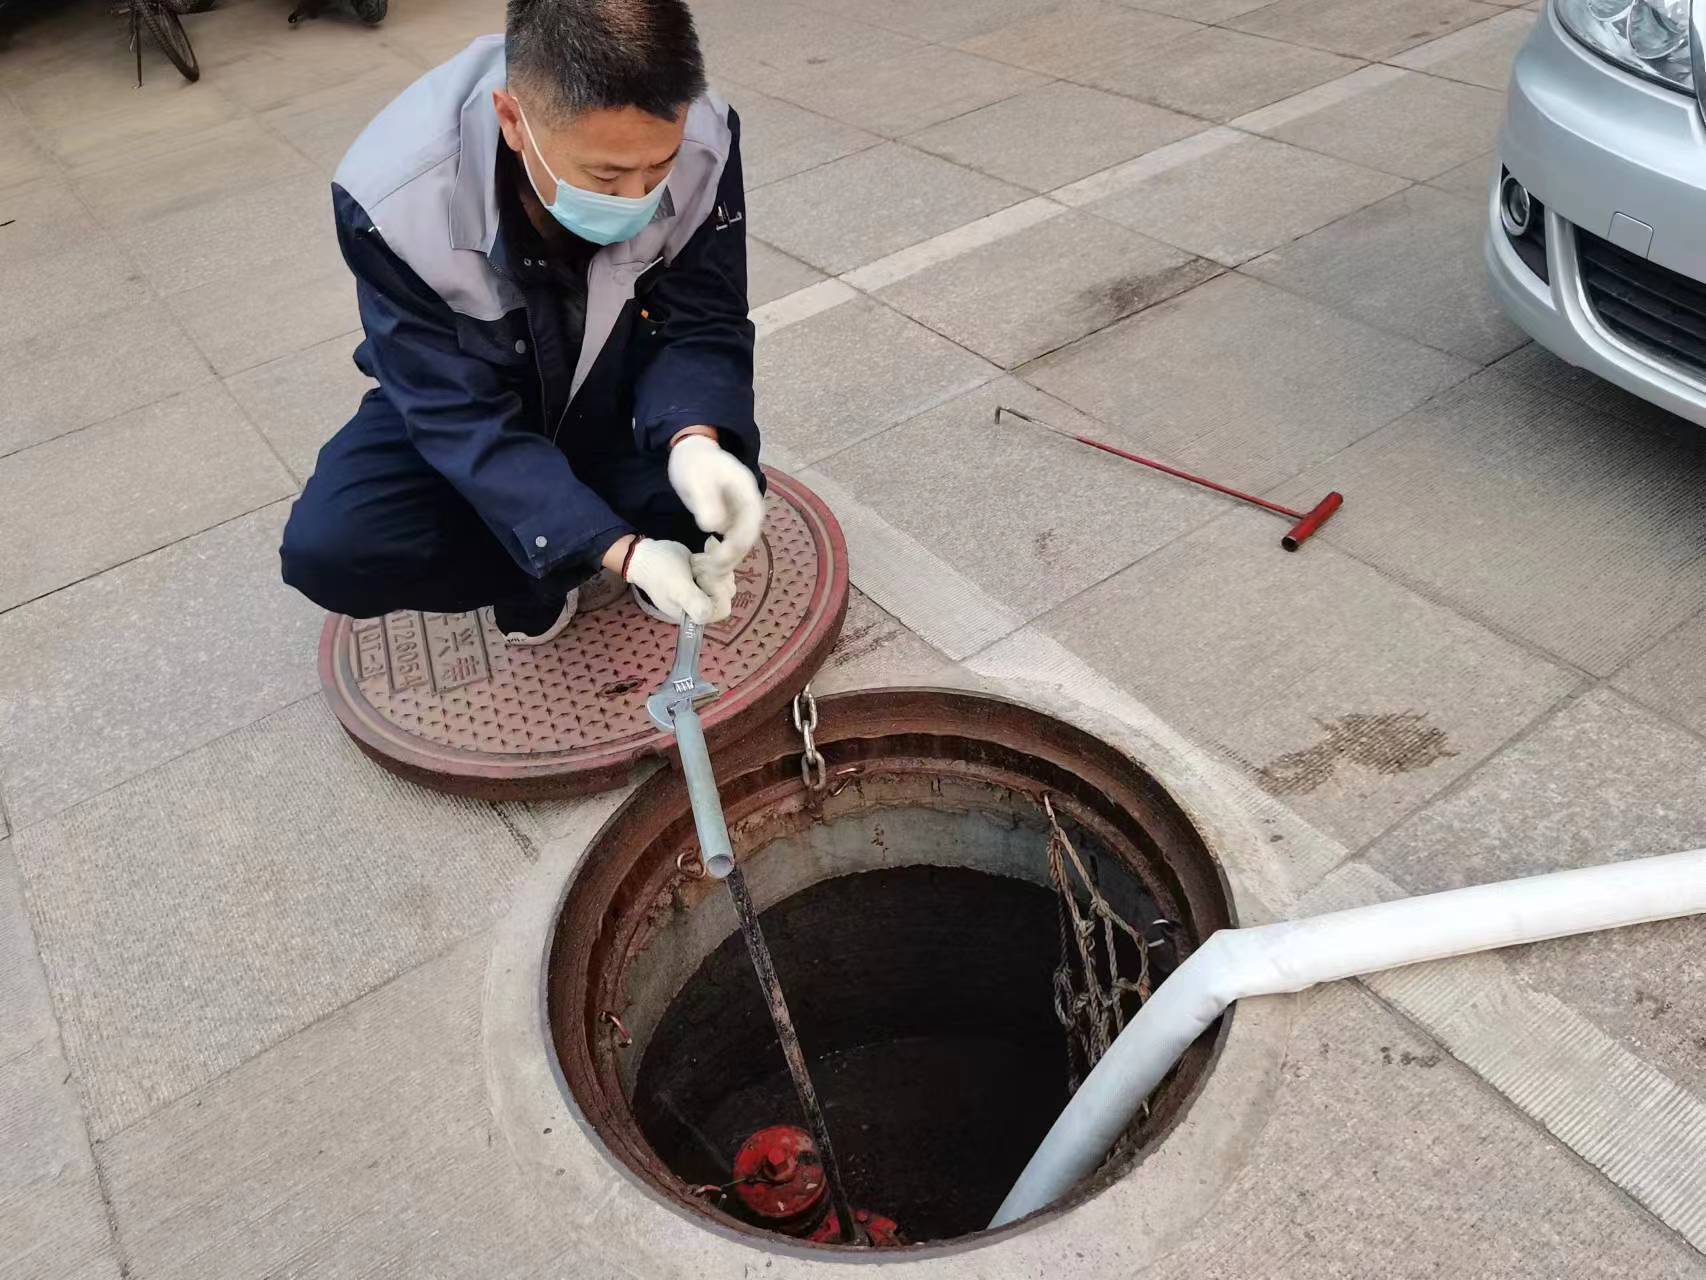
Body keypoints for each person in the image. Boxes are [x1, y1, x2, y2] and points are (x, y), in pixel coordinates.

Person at [279, 0, 763, 642]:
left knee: (720, 491)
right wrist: (618, 549)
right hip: (481, 386)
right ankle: (550, 568)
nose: (640, 199)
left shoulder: (705, 137)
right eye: (607, 175)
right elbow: (451, 411)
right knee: (337, 547)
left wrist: (694, 439)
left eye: (659, 166)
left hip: (618, 386)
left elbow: (704, 316)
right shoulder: (393, 198)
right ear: (512, 119)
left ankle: (624, 527)